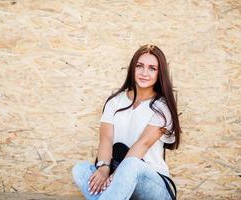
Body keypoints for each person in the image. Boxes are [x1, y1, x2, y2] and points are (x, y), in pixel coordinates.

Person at [72, 44, 181, 200]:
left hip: (152, 183)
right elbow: (106, 139)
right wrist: (103, 168)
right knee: (79, 169)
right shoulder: (115, 101)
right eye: (139, 66)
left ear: (160, 73)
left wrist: (118, 175)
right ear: (133, 68)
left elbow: (142, 144)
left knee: (131, 164)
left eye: (152, 68)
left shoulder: (162, 107)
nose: (144, 73)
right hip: (115, 172)